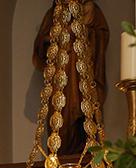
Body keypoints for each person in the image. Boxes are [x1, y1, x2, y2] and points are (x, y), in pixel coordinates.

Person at [33, 1, 108, 155]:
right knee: (61, 122)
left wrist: (82, 33)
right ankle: (61, 155)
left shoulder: (91, 10)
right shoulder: (53, 13)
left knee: (83, 117)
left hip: (83, 79)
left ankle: (86, 153)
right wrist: (53, 39)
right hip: (61, 80)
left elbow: (101, 35)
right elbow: (40, 45)